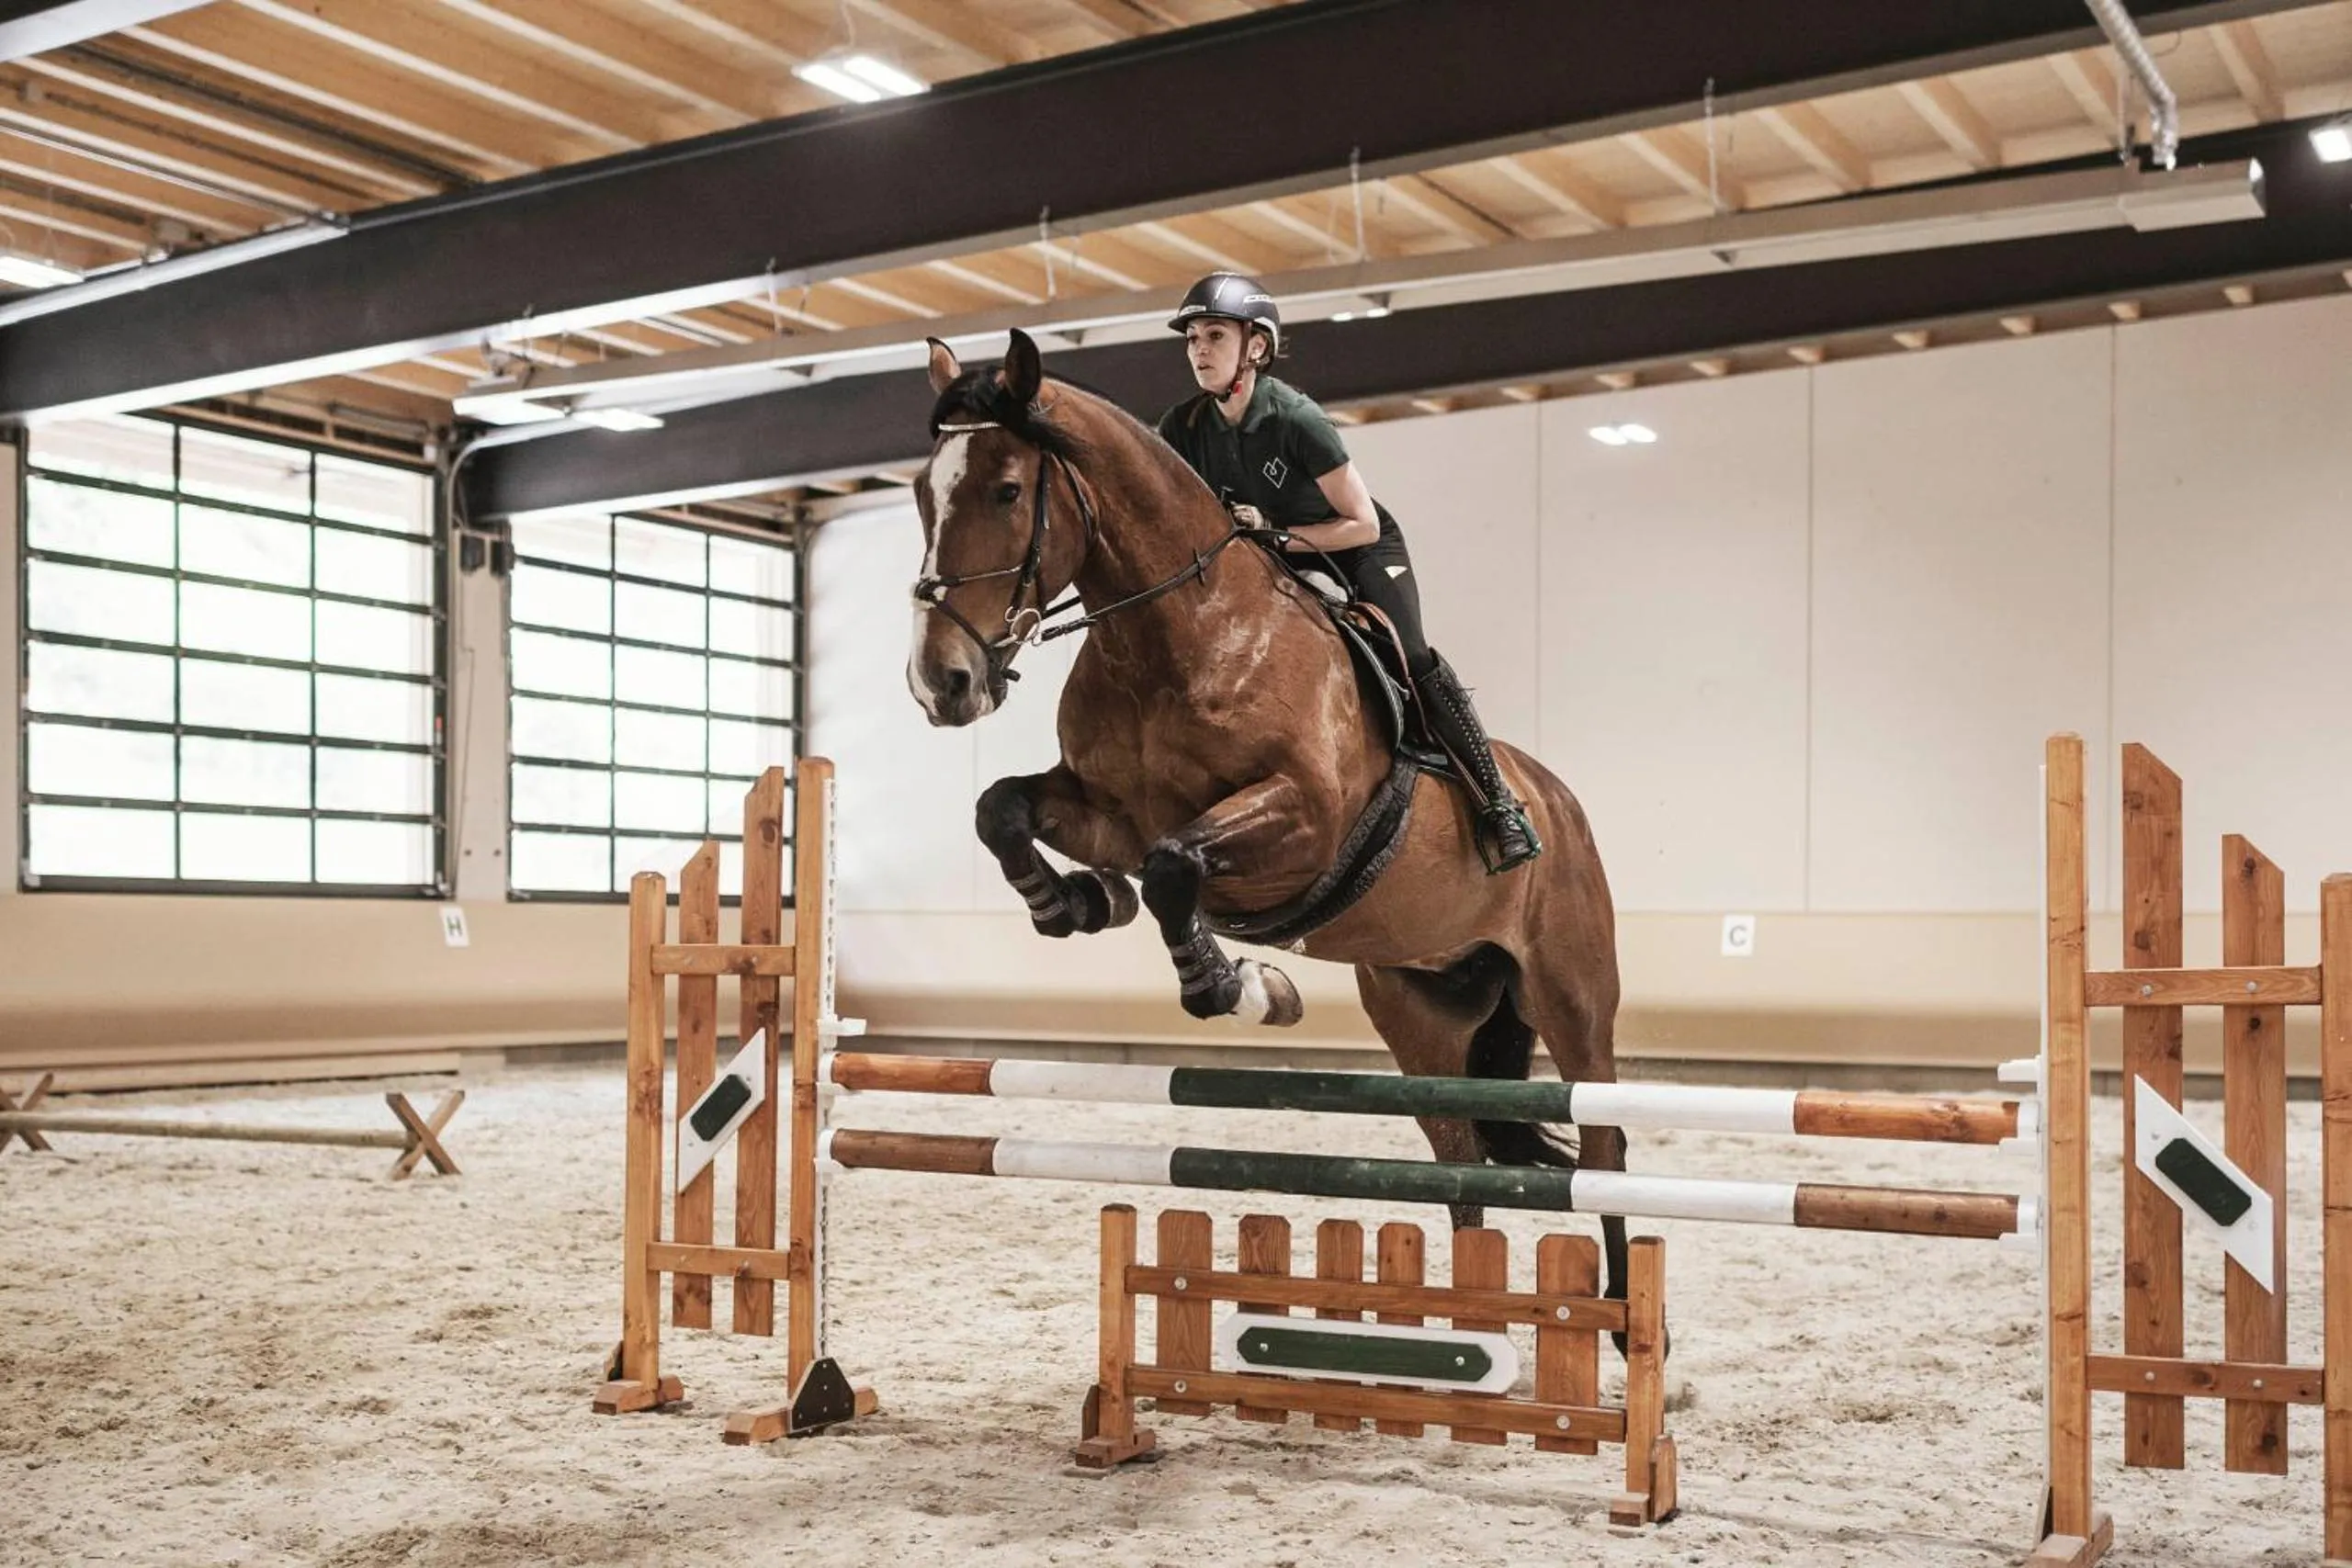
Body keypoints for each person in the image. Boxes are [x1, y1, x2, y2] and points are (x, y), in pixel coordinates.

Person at [1154, 271, 1541, 873]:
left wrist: (1280, 535)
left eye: (1213, 335)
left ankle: (1497, 802)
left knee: (1410, 655)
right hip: (1270, 550)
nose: (1198, 350)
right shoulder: (1184, 426)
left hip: (1355, 543)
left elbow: (1359, 520)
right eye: (1192, 339)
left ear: (1255, 347)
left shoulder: (1296, 419)